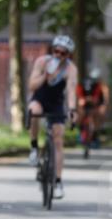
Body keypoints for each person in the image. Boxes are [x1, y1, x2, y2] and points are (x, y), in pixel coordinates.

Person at [27, 35, 78, 199]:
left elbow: (71, 91)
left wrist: (72, 109)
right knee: (33, 111)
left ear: (68, 55)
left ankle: (57, 181)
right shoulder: (42, 62)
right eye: (56, 51)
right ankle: (34, 147)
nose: (59, 55)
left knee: (58, 138)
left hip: (56, 103)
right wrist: (45, 76)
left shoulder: (70, 69)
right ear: (52, 50)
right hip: (40, 99)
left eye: (63, 53)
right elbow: (31, 86)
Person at [77, 67, 110, 147]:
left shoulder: (102, 86)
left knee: (98, 114)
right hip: (86, 104)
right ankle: (80, 131)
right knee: (80, 113)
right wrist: (82, 101)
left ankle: (95, 134)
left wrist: (104, 105)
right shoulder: (83, 84)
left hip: (96, 104)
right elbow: (79, 98)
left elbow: (104, 99)